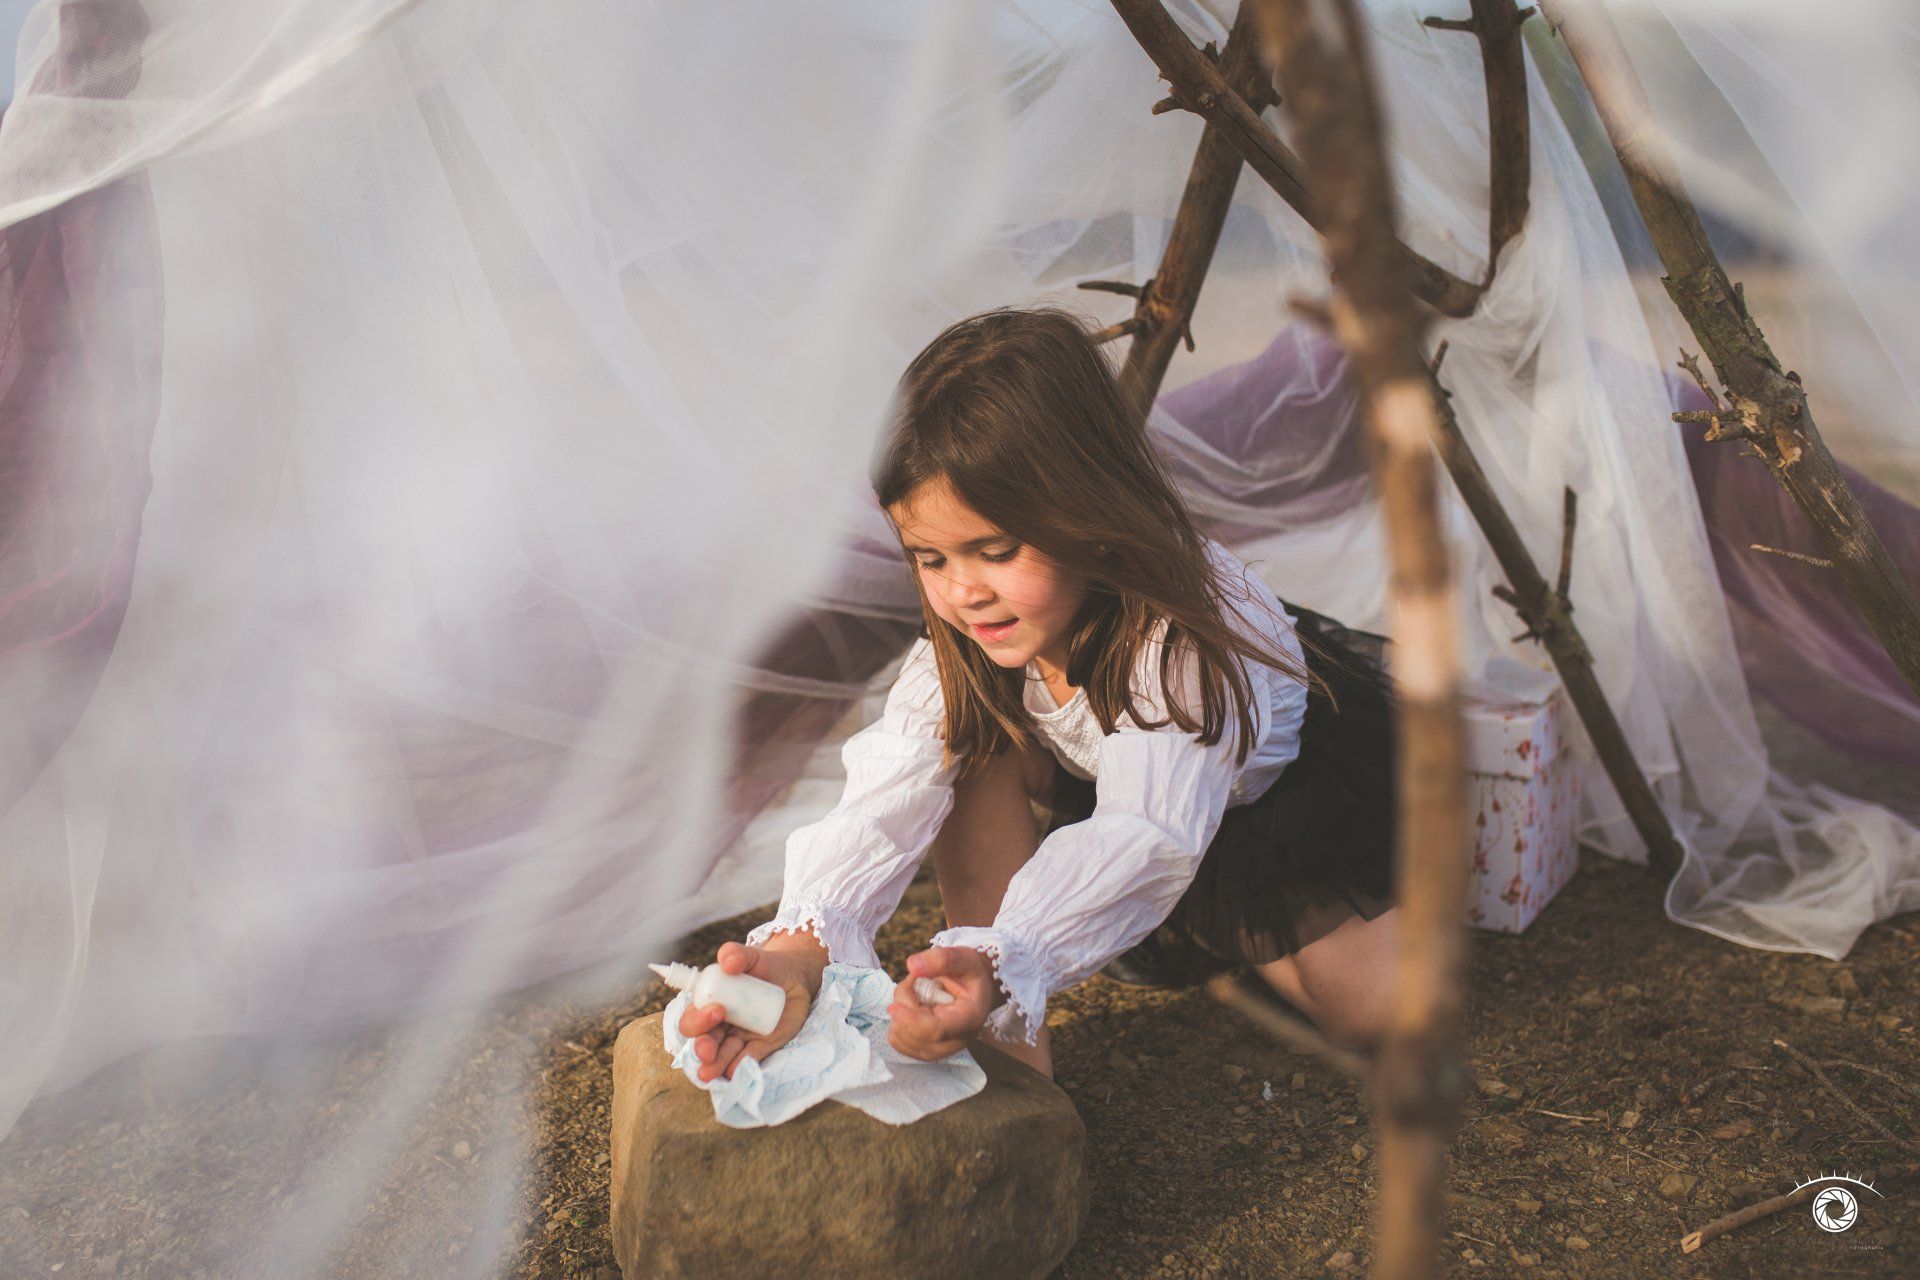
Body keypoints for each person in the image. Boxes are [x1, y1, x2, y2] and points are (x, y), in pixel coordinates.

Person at [676, 305, 1402, 1081]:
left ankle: (1185, 923)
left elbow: (1147, 828)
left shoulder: (1183, 643)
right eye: (930, 559)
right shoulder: (979, 636)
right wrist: (799, 950)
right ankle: (1008, 1057)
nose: (965, 593)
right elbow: (887, 787)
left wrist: (1032, 946)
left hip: (1271, 807)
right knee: (968, 742)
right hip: (1112, 786)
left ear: (1089, 513)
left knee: (1376, 1011)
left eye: (995, 551)